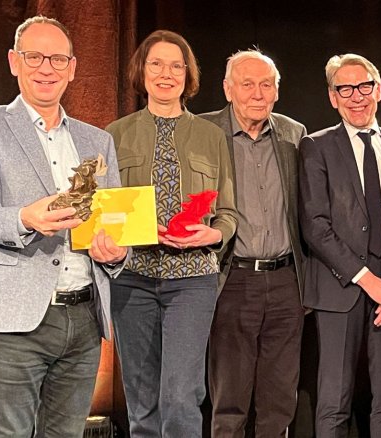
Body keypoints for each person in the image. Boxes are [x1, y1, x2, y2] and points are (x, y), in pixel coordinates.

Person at [0, 15, 128, 437]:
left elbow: (114, 221)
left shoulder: (96, 140)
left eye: (57, 58)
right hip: (13, 318)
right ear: (14, 61)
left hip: (84, 317)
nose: (46, 67)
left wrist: (118, 252)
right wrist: (24, 217)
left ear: (72, 68)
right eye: (34, 56)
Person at [105, 30, 237, 438]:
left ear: (188, 74)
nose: (166, 74)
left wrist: (210, 236)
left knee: (181, 396)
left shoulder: (210, 136)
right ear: (141, 72)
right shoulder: (114, 133)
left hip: (193, 280)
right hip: (132, 278)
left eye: (176, 65)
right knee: (141, 400)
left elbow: (229, 214)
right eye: (156, 64)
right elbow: (106, 211)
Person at [299, 53, 381, 438]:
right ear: (333, 97)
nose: (356, 97)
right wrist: (369, 281)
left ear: (378, 90)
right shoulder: (316, 147)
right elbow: (315, 227)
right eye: (345, 89)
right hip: (340, 286)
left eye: (364, 86)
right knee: (334, 401)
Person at [200, 50, 307, 437]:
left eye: (266, 85)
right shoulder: (204, 131)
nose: (257, 94)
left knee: (280, 401)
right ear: (228, 89)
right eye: (247, 84)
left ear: (277, 91)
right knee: (229, 400)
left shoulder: (294, 134)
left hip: (285, 283)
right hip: (231, 279)